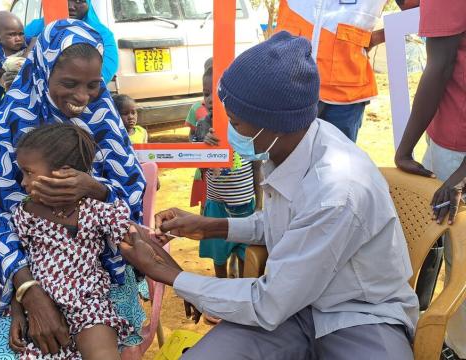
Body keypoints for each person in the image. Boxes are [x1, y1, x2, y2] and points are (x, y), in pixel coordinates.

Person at [120, 31, 419, 359]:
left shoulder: (335, 190)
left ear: (276, 124)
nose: (230, 132)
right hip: (294, 311)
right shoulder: (289, 146)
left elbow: (269, 302)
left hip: (358, 314)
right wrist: (212, 226)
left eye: (236, 123)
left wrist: (172, 275)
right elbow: (288, 223)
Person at [0, 20, 146, 359]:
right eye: (69, 83)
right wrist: (27, 295)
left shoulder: (104, 117)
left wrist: (96, 188)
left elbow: (131, 196)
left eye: (92, 84)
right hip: (30, 273)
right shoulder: (8, 123)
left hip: (101, 274)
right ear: (43, 69)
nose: (82, 97)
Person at [11, 123, 133, 359]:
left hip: (89, 303)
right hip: (43, 307)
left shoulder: (94, 208)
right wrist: (18, 310)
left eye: (29, 172)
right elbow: (19, 264)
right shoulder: (24, 213)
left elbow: (129, 234)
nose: (23, 183)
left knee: (102, 353)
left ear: (64, 173)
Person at [394, 0, 466, 358]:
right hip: (452, 148)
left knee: (461, 263)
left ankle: (455, 348)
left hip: (457, 150)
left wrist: (403, 151)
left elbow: (438, 68)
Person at [275, 0, 408, 142]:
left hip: (345, 96)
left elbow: (422, 12)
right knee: (284, 160)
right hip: (288, 83)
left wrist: (375, 38)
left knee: (339, 161)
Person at [192, 62, 262, 281]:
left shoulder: (245, 127)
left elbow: (256, 165)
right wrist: (204, 147)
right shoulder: (203, 127)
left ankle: (241, 290)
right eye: (206, 94)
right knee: (218, 253)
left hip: (245, 205)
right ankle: (221, 290)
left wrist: (259, 203)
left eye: (216, 93)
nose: (211, 99)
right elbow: (199, 166)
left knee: (245, 254)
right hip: (217, 205)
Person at [24, 0, 118, 84]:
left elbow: (107, 68)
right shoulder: (35, 28)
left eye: (78, 1)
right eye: (64, 1)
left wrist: (79, 88)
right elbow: (14, 55)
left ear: (88, 4)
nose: (70, 7)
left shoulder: (102, 34)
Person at [0, 11, 32, 120]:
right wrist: (7, 71)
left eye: (21, 33)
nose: (18, 38)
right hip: (10, 82)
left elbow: (35, 40)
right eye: (12, 34)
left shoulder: (25, 43)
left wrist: (25, 56)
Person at [185, 58, 210, 210]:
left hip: (228, 177)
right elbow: (191, 135)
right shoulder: (196, 108)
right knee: (205, 204)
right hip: (203, 169)